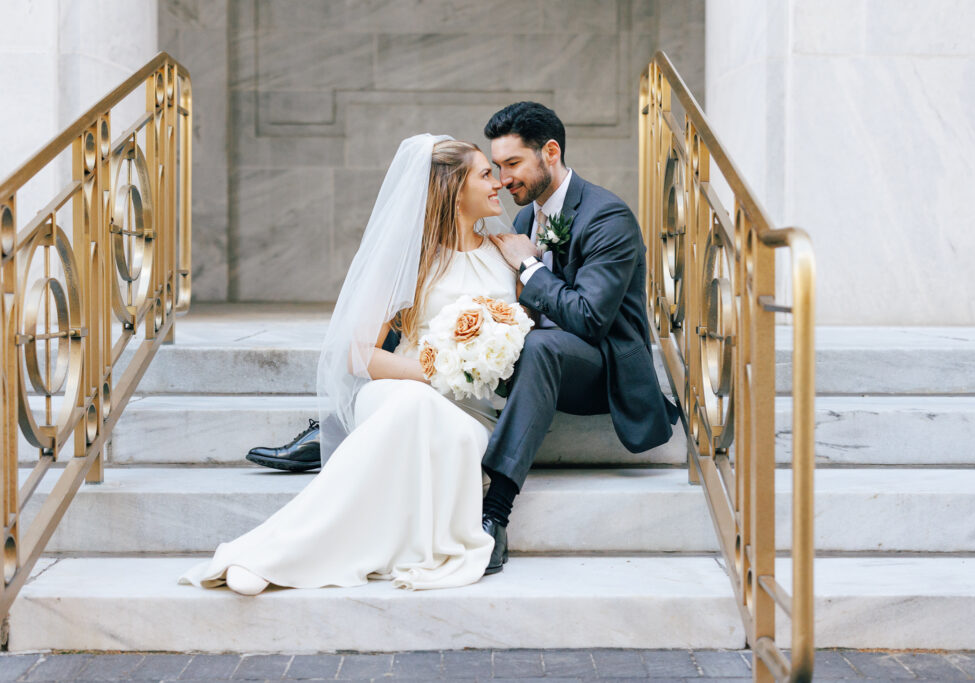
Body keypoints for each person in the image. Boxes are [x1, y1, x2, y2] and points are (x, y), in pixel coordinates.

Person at [180, 135, 513, 595]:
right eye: (484, 174)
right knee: (414, 403)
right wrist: (434, 372)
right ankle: (279, 551)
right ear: (455, 189)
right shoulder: (411, 262)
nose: (498, 183)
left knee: (424, 414)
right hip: (401, 388)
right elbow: (360, 353)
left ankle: (285, 552)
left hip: (471, 412)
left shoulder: (508, 253)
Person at [479, 102, 675, 574]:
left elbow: (589, 318)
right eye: (498, 166)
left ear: (550, 152)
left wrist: (527, 266)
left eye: (512, 164)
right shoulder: (528, 220)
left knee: (541, 346)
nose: (503, 180)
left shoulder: (608, 216)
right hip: (542, 360)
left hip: (604, 368)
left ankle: (494, 512)